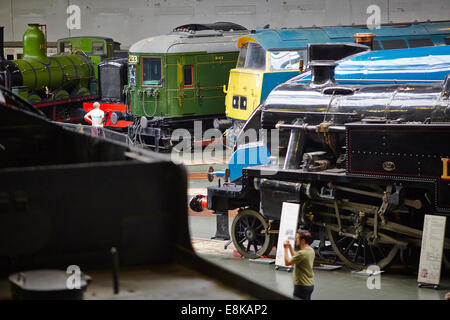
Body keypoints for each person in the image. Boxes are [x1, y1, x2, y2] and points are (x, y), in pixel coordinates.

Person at [284, 229, 315, 300]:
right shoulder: (310, 250)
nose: (296, 240)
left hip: (301, 286)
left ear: (303, 240)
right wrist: (290, 247)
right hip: (309, 284)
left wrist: (285, 249)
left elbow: (287, 262)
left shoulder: (302, 253)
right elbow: (297, 256)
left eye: (297, 238)